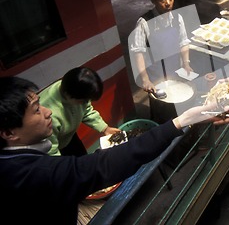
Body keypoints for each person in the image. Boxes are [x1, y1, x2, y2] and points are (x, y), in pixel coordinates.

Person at [0, 76, 212, 224]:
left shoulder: (15, 156)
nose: (47, 112)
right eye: (37, 110)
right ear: (9, 133)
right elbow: (99, 167)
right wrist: (180, 121)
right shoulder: (32, 173)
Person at [130, 0, 193, 120]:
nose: (168, 3)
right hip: (155, 77)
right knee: (159, 109)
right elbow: (138, 51)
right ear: (153, 0)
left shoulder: (177, 18)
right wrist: (145, 79)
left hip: (174, 71)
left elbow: (183, 42)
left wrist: (186, 63)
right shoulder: (144, 22)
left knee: (176, 106)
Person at [39, 67, 120, 156]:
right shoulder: (48, 116)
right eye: (83, 101)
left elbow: (87, 111)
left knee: (82, 157)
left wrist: (105, 128)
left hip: (68, 136)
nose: (86, 103)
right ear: (67, 95)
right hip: (53, 145)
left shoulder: (74, 88)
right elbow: (51, 151)